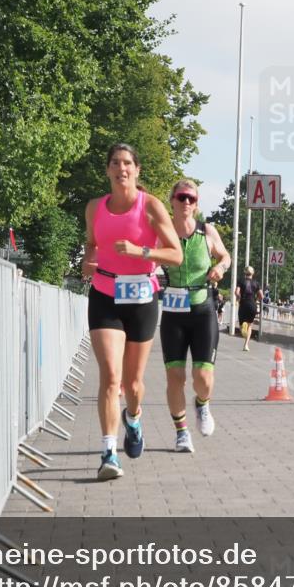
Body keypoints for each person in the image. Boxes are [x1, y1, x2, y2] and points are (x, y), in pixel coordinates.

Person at [82, 143, 182, 481]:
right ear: (107, 170)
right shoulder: (94, 207)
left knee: (133, 384)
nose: (121, 168)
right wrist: (88, 261)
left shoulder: (150, 206)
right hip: (105, 294)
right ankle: (109, 453)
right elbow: (92, 244)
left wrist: (142, 252)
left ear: (137, 170)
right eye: (115, 163)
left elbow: (176, 254)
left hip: (141, 297)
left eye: (127, 163)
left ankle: (134, 418)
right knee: (111, 377)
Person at [159, 179, 232, 452]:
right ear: (172, 201)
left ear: (197, 204)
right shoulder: (163, 232)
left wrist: (220, 268)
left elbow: (225, 256)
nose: (186, 202)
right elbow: (146, 257)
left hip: (202, 310)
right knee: (175, 377)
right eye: (181, 197)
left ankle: (202, 404)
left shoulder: (207, 231)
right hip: (173, 312)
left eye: (191, 198)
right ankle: (181, 432)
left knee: (203, 378)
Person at [235, 266, 263, 351]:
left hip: (243, 304)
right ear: (253, 273)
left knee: (241, 324)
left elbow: (236, 292)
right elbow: (261, 296)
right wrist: (256, 299)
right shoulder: (256, 283)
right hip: (252, 304)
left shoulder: (241, 281)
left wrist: (239, 298)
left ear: (245, 273)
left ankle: (243, 327)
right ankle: (246, 345)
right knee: (250, 325)